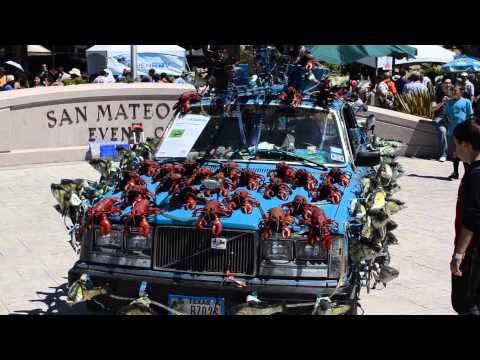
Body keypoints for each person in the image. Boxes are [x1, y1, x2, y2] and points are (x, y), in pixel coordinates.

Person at [450, 118, 480, 315]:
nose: (454, 150)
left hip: (473, 252)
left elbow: (473, 218)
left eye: (456, 144)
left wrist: (459, 254)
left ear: (467, 145)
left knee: (466, 303)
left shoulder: (476, 174)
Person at [444, 85, 474, 180]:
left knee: (464, 152)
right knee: (456, 152)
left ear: (461, 92)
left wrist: (469, 128)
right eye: (452, 90)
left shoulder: (466, 102)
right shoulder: (449, 102)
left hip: (464, 131)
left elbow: (470, 116)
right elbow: (445, 115)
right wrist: (447, 123)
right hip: (453, 130)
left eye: (455, 90)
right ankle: (456, 172)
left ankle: (467, 173)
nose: (453, 92)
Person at [432, 78, 453, 162]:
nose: (448, 85)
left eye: (450, 83)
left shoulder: (454, 95)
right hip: (440, 118)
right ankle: (443, 154)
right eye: (446, 83)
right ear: (442, 84)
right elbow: (432, 108)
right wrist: (442, 103)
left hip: (452, 118)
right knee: (442, 131)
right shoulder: (436, 96)